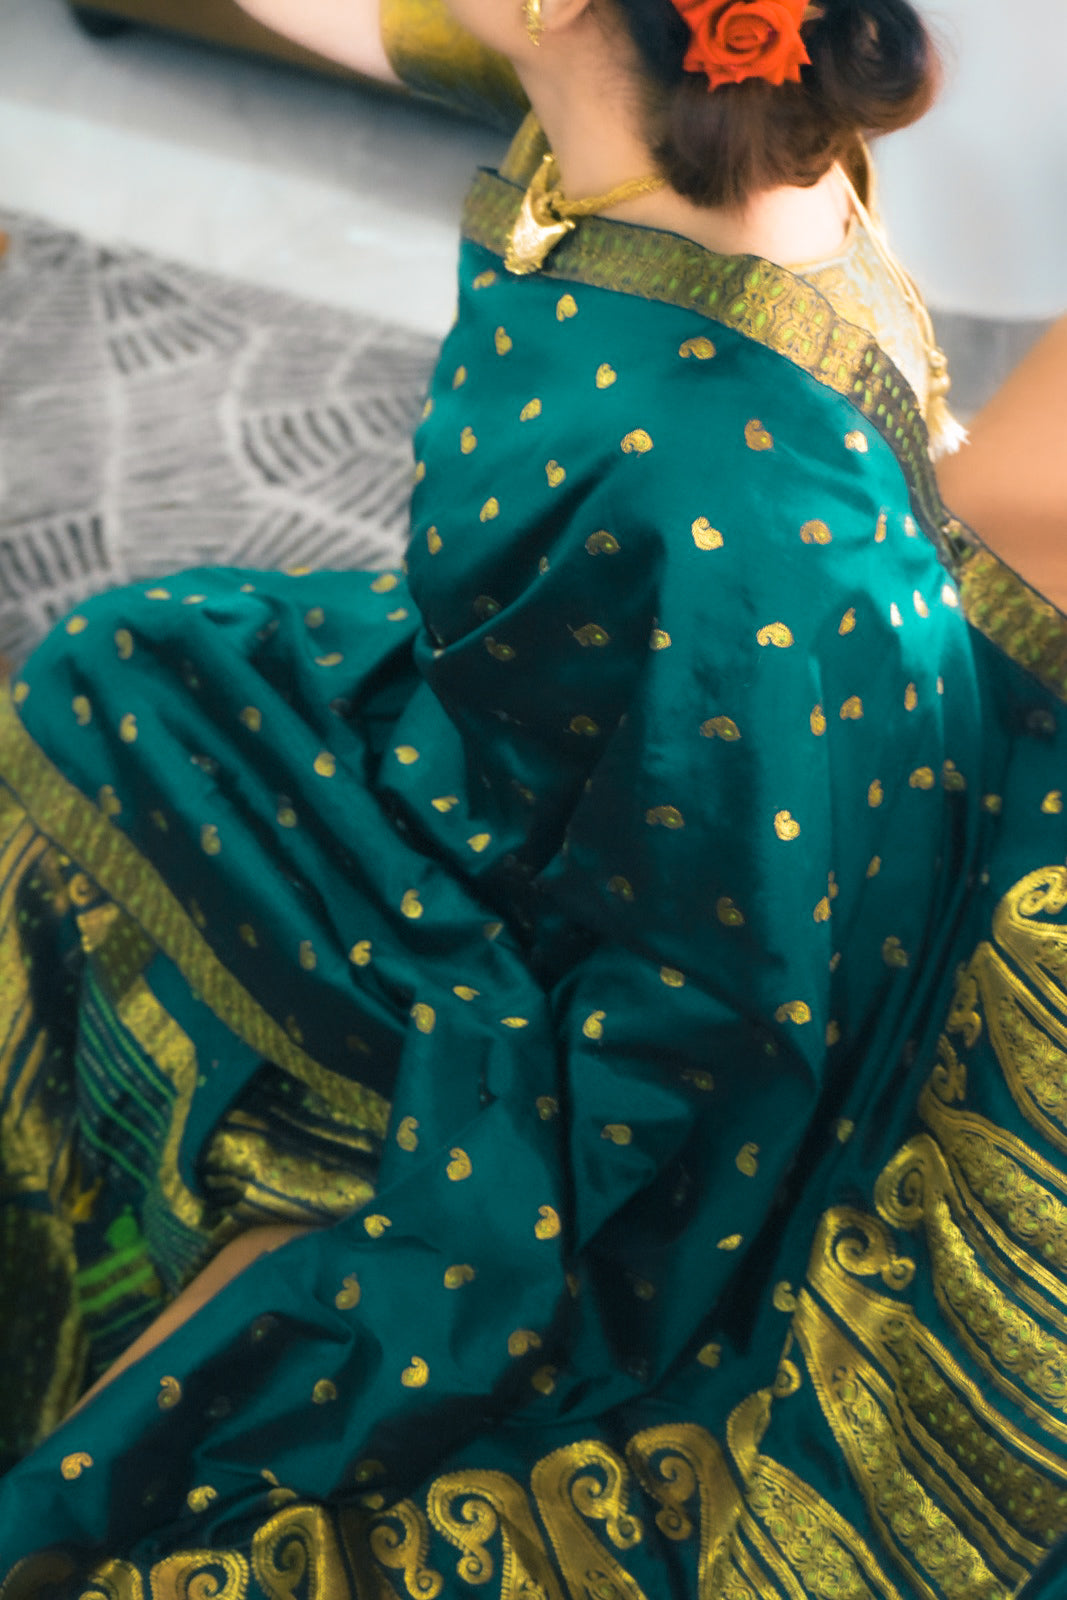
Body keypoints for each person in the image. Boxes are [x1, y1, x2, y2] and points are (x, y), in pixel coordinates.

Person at [1, 0, 1066, 1593]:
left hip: (619, 909)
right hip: (546, 743)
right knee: (115, 666)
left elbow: (732, 997)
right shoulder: (719, 129)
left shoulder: (724, 481)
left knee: (111, 718)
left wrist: (531, 1179)